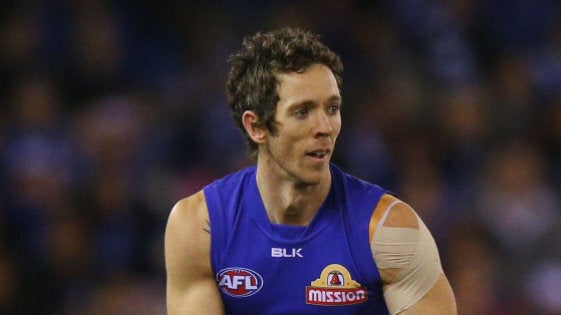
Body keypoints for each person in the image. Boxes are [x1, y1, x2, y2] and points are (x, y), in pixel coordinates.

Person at [165, 27, 457, 314]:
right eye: (303, 112)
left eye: (332, 108)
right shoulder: (201, 227)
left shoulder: (388, 230)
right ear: (256, 126)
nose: (325, 128)